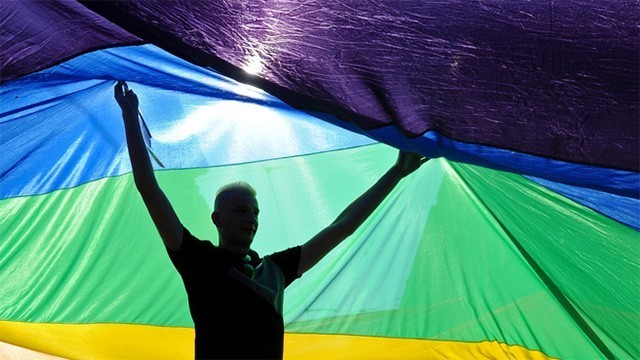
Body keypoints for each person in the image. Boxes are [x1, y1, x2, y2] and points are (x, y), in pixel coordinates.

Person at [114, 81, 427, 359]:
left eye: (254, 212)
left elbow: (342, 227)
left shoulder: (275, 270)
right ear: (217, 218)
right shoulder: (198, 259)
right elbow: (149, 188)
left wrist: (396, 173)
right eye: (240, 210)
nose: (250, 218)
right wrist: (130, 117)